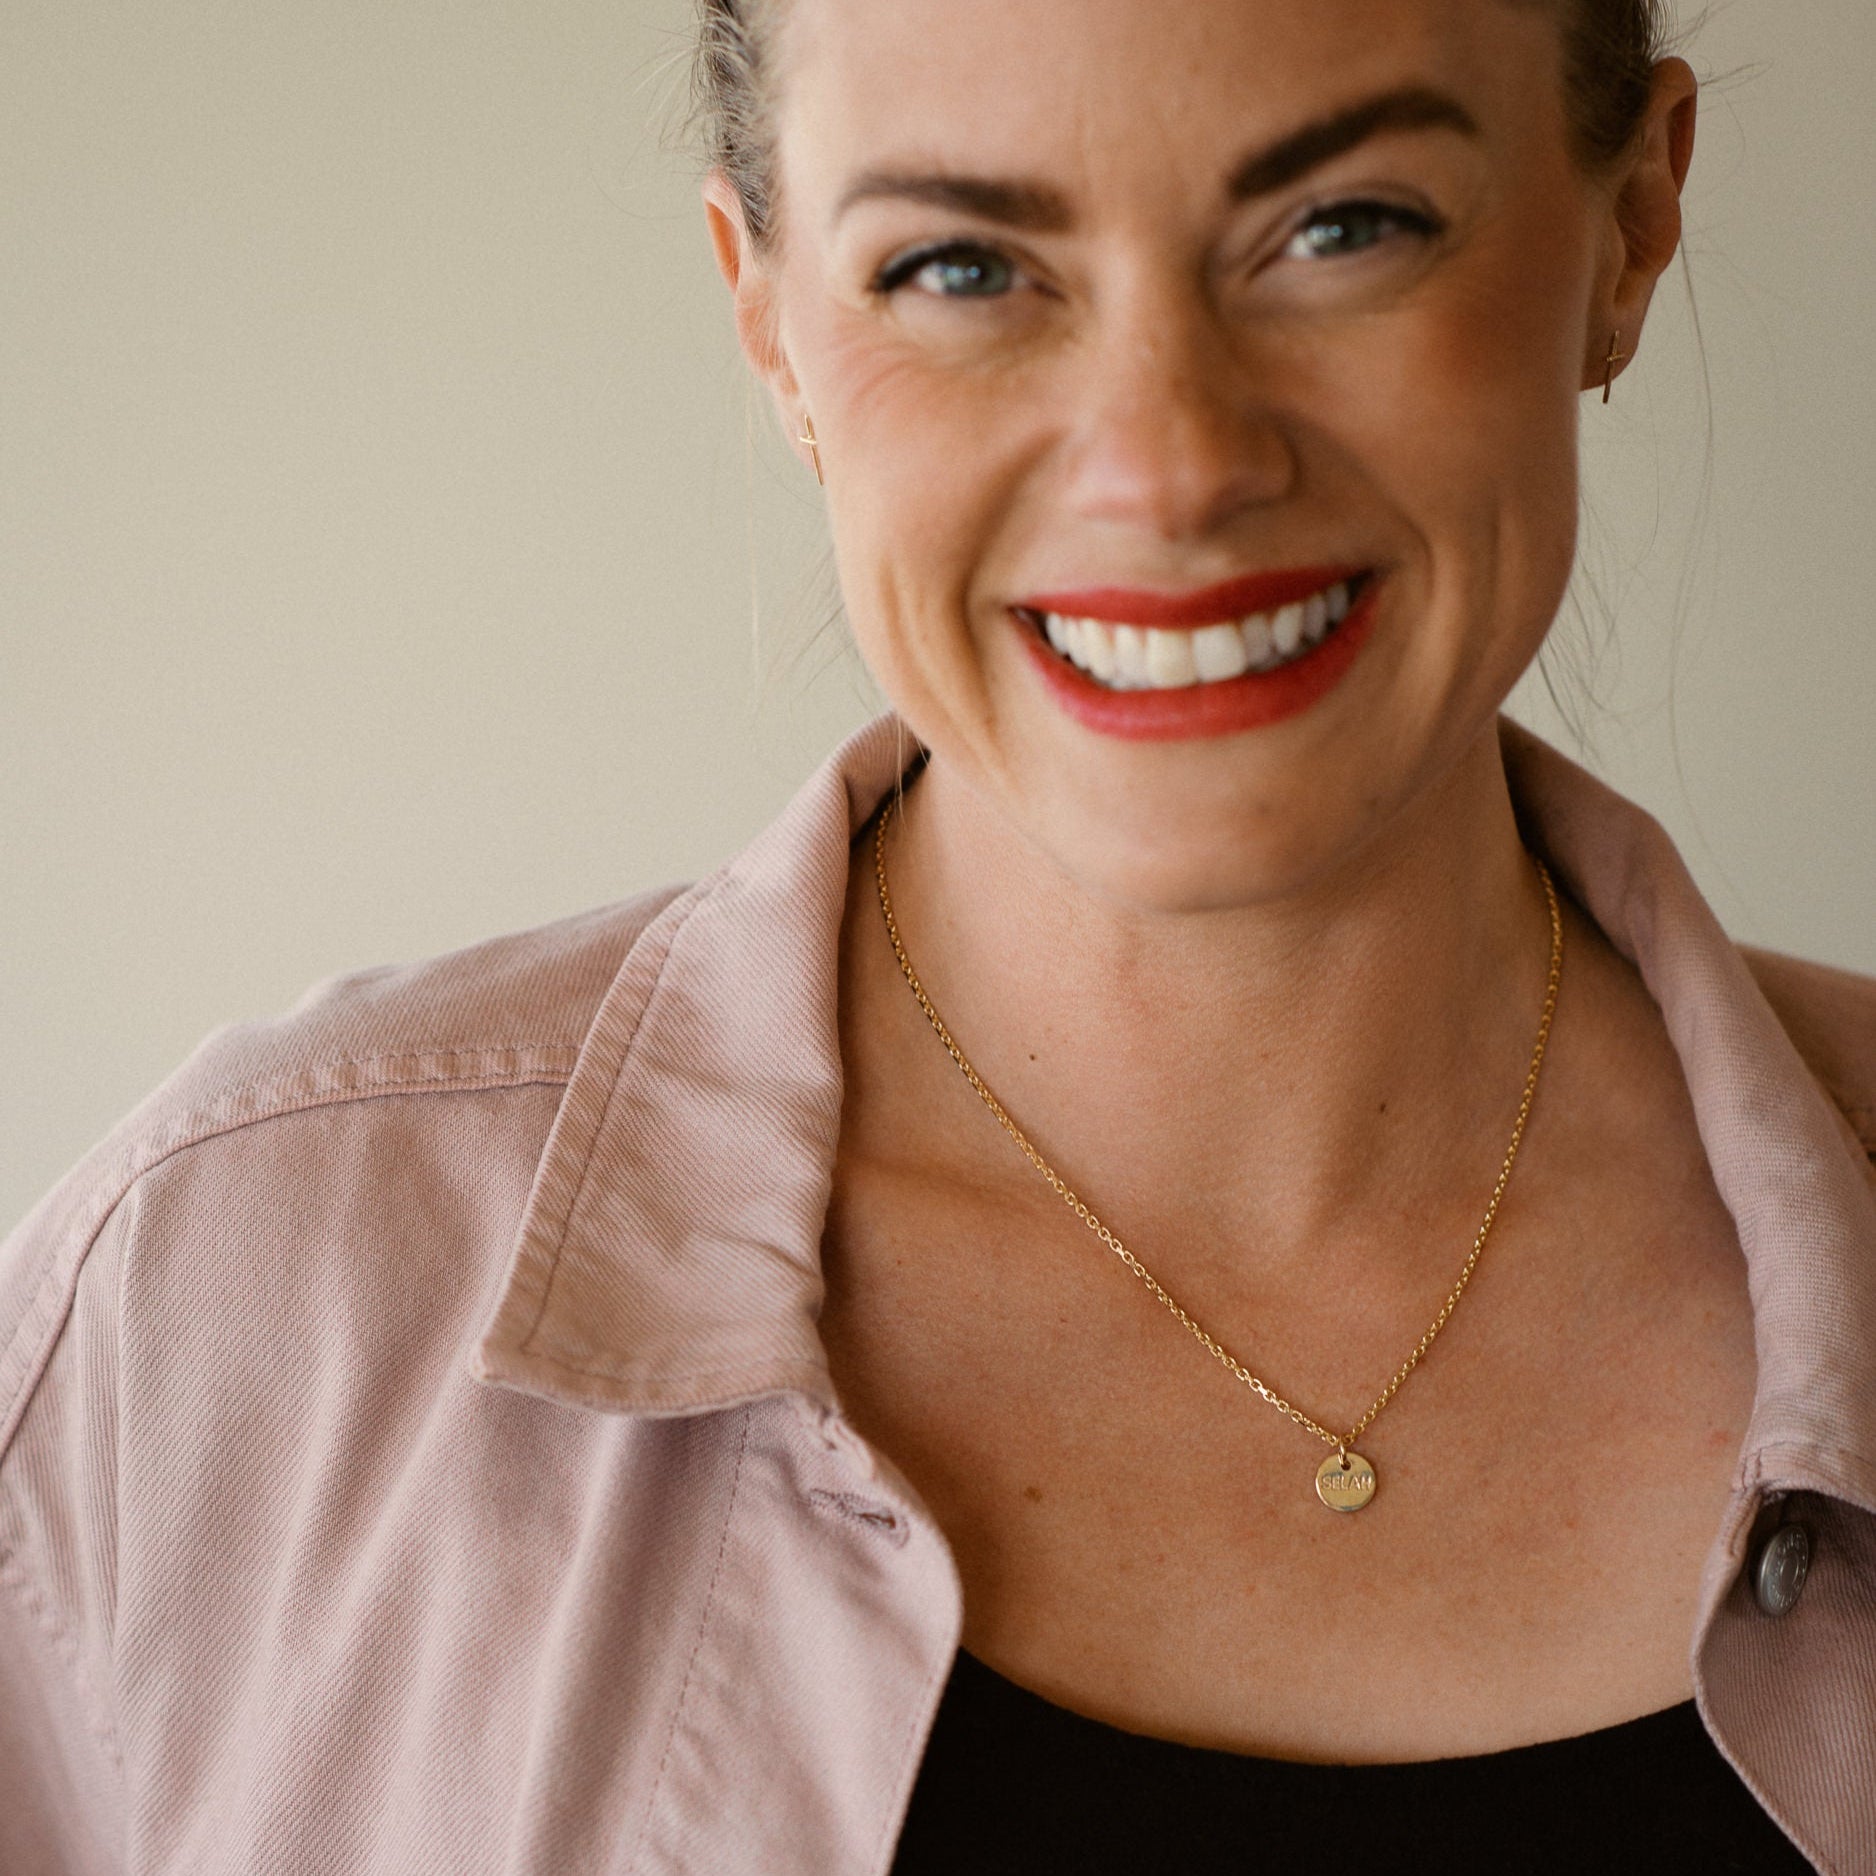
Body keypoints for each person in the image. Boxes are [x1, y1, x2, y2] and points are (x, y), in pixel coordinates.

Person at [2, 0, 1871, 1870]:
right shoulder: (217, 1321)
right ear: (771, 321)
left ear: (1629, 225)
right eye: (962, 267)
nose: (1168, 463)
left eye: (1345, 225)